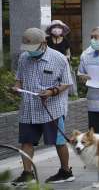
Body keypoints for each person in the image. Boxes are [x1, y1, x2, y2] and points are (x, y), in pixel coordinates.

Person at [12, 28, 74, 186]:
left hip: (52, 109)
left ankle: (66, 171)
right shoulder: (24, 58)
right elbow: (19, 78)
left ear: (44, 44)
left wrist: (52, 91)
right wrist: (16, 87)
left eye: (33, 48)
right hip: (29, 108)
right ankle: (27, 174)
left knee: (58, 141)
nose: (29, 52)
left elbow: (66, 82)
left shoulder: (59, 58)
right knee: (26, 142)